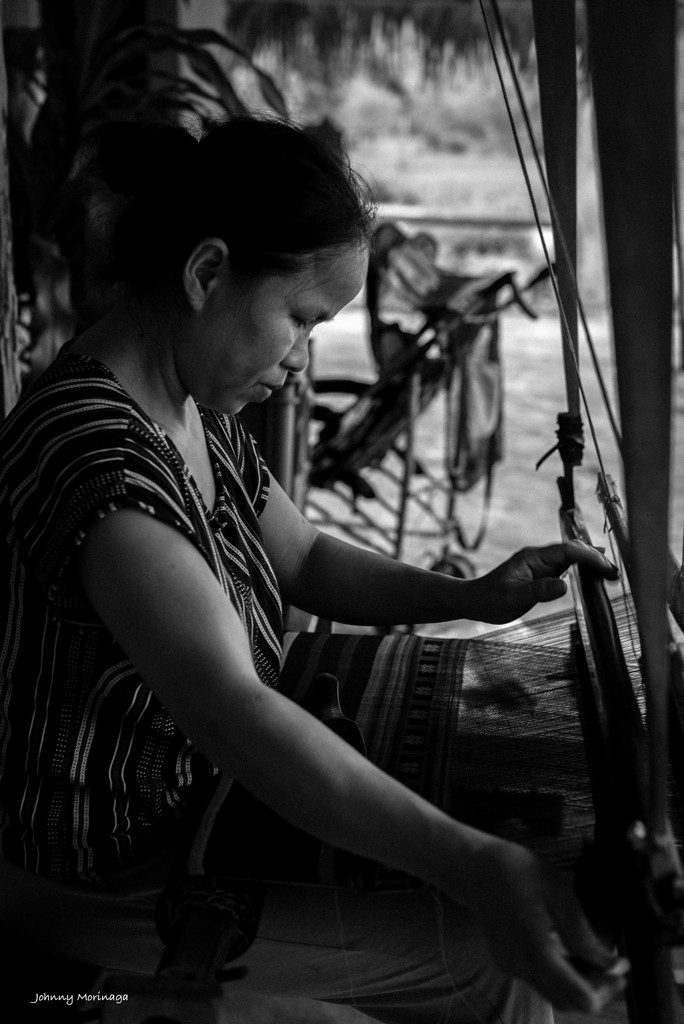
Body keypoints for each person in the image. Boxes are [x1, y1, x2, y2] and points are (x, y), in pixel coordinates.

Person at [0, 114, 627, 1023]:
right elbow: (236, 715)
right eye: (299, 321)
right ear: (207, 273)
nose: (300, 364)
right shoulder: (98, 461)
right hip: (105, 872)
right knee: (490, 969)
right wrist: (471, 860)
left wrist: (471, 597)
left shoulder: (187, 409)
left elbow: (303, 556)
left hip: (190, 813)